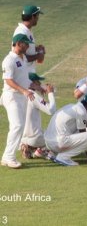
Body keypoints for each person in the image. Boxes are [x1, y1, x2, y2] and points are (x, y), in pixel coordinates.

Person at [1, 34, 34, 169]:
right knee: (17, 125)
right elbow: (8, 80)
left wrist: (36, 87)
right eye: (26, 44)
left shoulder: (23, 58)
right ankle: (9, 157)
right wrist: (24, 91)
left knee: (18, 126)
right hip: (12, 96)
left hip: (21, 97)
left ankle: (5, 157)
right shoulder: (9, 60)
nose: (27, 46)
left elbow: (24, 79)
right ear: (19, 43)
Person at [44, 93, 87, 166]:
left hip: (48, 143)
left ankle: (54, 153)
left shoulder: (71, 106)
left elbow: (83, 127)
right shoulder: (81, 112)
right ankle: (63, 157)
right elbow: (83, 133)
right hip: (58, 143)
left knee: (79, 130)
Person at [20, 72, 56, 159]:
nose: (40, 84)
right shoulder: (33, 95)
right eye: (37, 82)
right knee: (58, 141)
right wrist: (50, 93)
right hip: (35, 138)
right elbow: (51, 110)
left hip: (22, 138)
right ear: (31, 83)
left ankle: (27, 147)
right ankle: (39, 151)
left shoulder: (19, 94)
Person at [13, 5, 45, 73]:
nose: (38, 18)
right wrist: (38, 55)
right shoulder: (21, 33)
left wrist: (36, 49)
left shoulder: (27, 30)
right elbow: (20, 56)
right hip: (23, 72)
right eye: (37, 15)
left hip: (28, 70)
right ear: (33, 17)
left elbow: (26, 48)